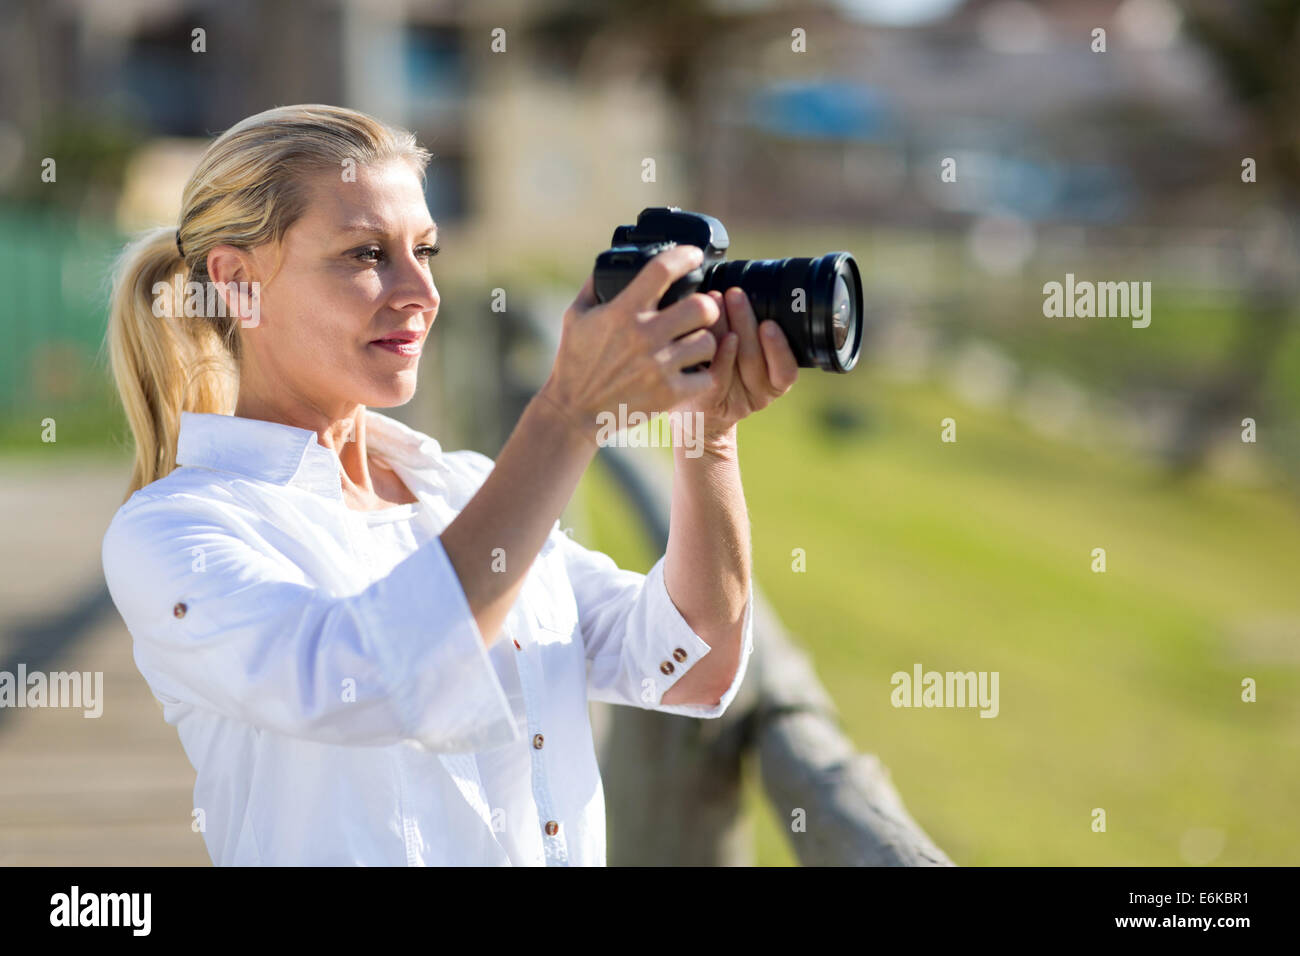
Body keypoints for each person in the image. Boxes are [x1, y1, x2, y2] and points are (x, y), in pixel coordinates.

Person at [100, 104, 799, 866]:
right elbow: (364, 681)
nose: (420, 292)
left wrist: (709, 433)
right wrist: (567, 413)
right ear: (237, 282)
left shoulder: (466, 492)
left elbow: (691, 665)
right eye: (366, 254)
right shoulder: (173, 533)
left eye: (425, 251)